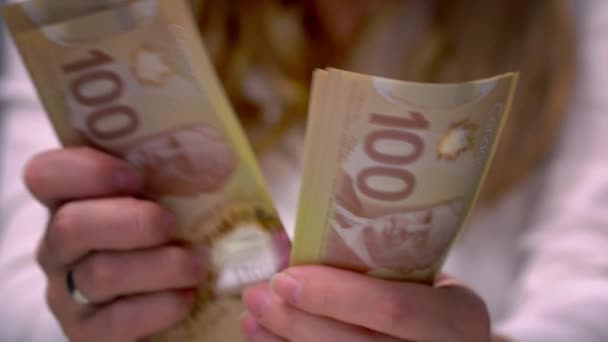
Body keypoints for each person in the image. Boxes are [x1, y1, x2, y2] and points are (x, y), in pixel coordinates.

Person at [2, 0, 608, 341]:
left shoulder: (577, 21)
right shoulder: (91, 13)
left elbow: (591, 297)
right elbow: (17, 293)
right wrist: (80, 304)